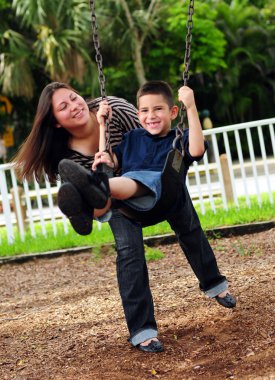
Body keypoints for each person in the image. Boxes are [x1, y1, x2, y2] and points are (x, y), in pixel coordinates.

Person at [13, 81, 236, 354]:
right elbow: (106, 202)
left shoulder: (114, 109)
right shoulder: (66, 156)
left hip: (159, 180)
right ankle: (142, 330)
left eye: (74, 97)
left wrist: (187, 111)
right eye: (64, 106)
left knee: (189, 228)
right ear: (56, 121)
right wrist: (103, 169)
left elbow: (149, 135)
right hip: (118, 201)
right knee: (129, 251)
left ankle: (215, 285)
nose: (74, 105)